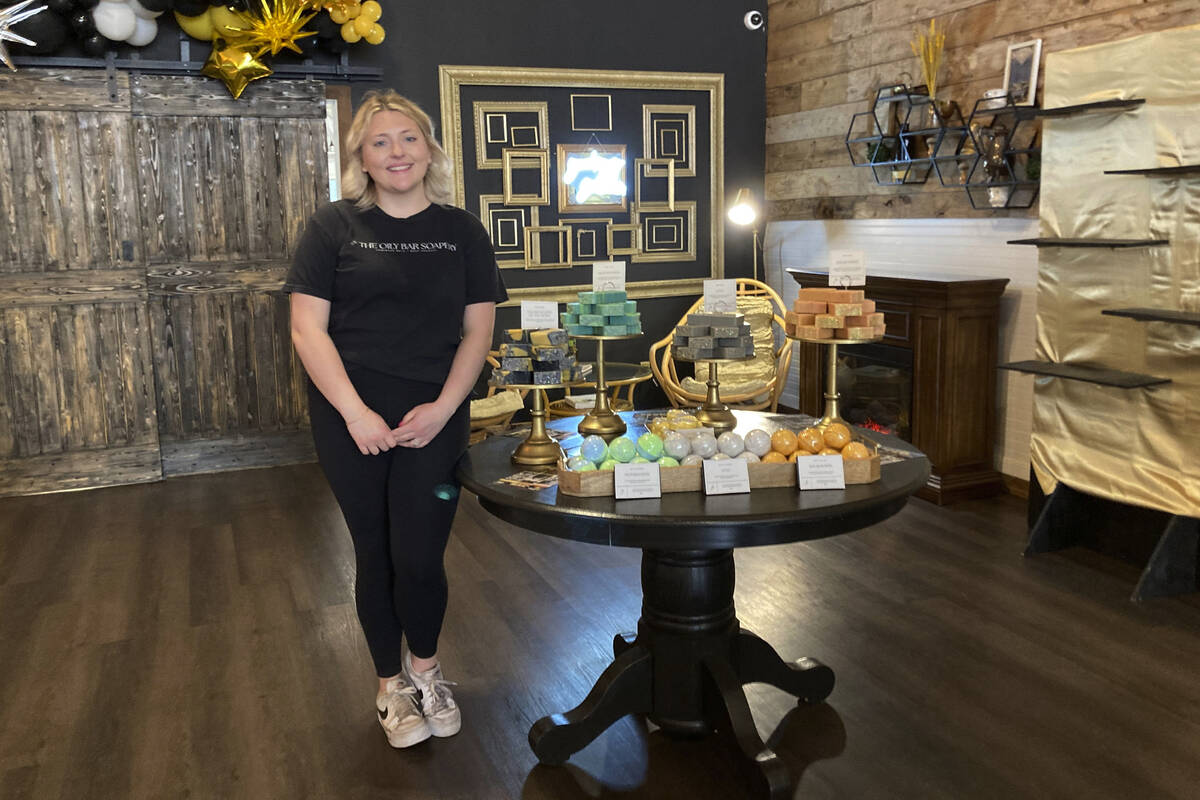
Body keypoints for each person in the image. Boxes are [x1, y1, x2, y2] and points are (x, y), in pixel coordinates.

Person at [284, 90, 507, 748]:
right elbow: (307, 329)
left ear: (429, 148)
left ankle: (428, 670)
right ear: (360, 157)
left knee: (420, 554)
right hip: (349, 418)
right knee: (375, 552)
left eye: (408, 138)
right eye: (379, 142)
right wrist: (354, 414)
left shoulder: (463, 229)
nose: (396, 152)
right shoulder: (332, 227)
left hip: (434, 417)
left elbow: (477, 334)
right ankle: (390, 688)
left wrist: (443, 410)